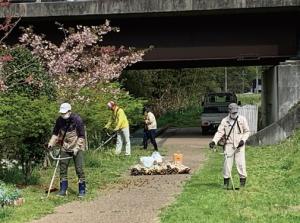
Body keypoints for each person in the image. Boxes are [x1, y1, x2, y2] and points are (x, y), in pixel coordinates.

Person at [47, 102, 86, 197]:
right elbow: (55, 134)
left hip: (77, 146)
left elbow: (81, 136)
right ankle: (63, 190)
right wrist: (50, 144)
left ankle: (82, 190)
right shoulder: (59, 120)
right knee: (63, 169)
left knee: (79, 169)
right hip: (65, 146)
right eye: (62, 113)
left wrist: (77, 148)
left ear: (69, 111)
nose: (63, 115)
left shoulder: (77, 120)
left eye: (64, 113)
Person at [209, 103, 250, 189]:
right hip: (229, 145)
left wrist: (243, 140)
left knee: (241, 164)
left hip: (239, 146)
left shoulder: (242, 119)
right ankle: (226, 184)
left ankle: (242, 184)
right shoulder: (225, 121)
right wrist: (214, 141)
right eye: (233, 113)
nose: (234, 114)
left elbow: (247, 131)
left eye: (236, 112)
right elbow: (220, 132)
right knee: (227, 165)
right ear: (229, 111)